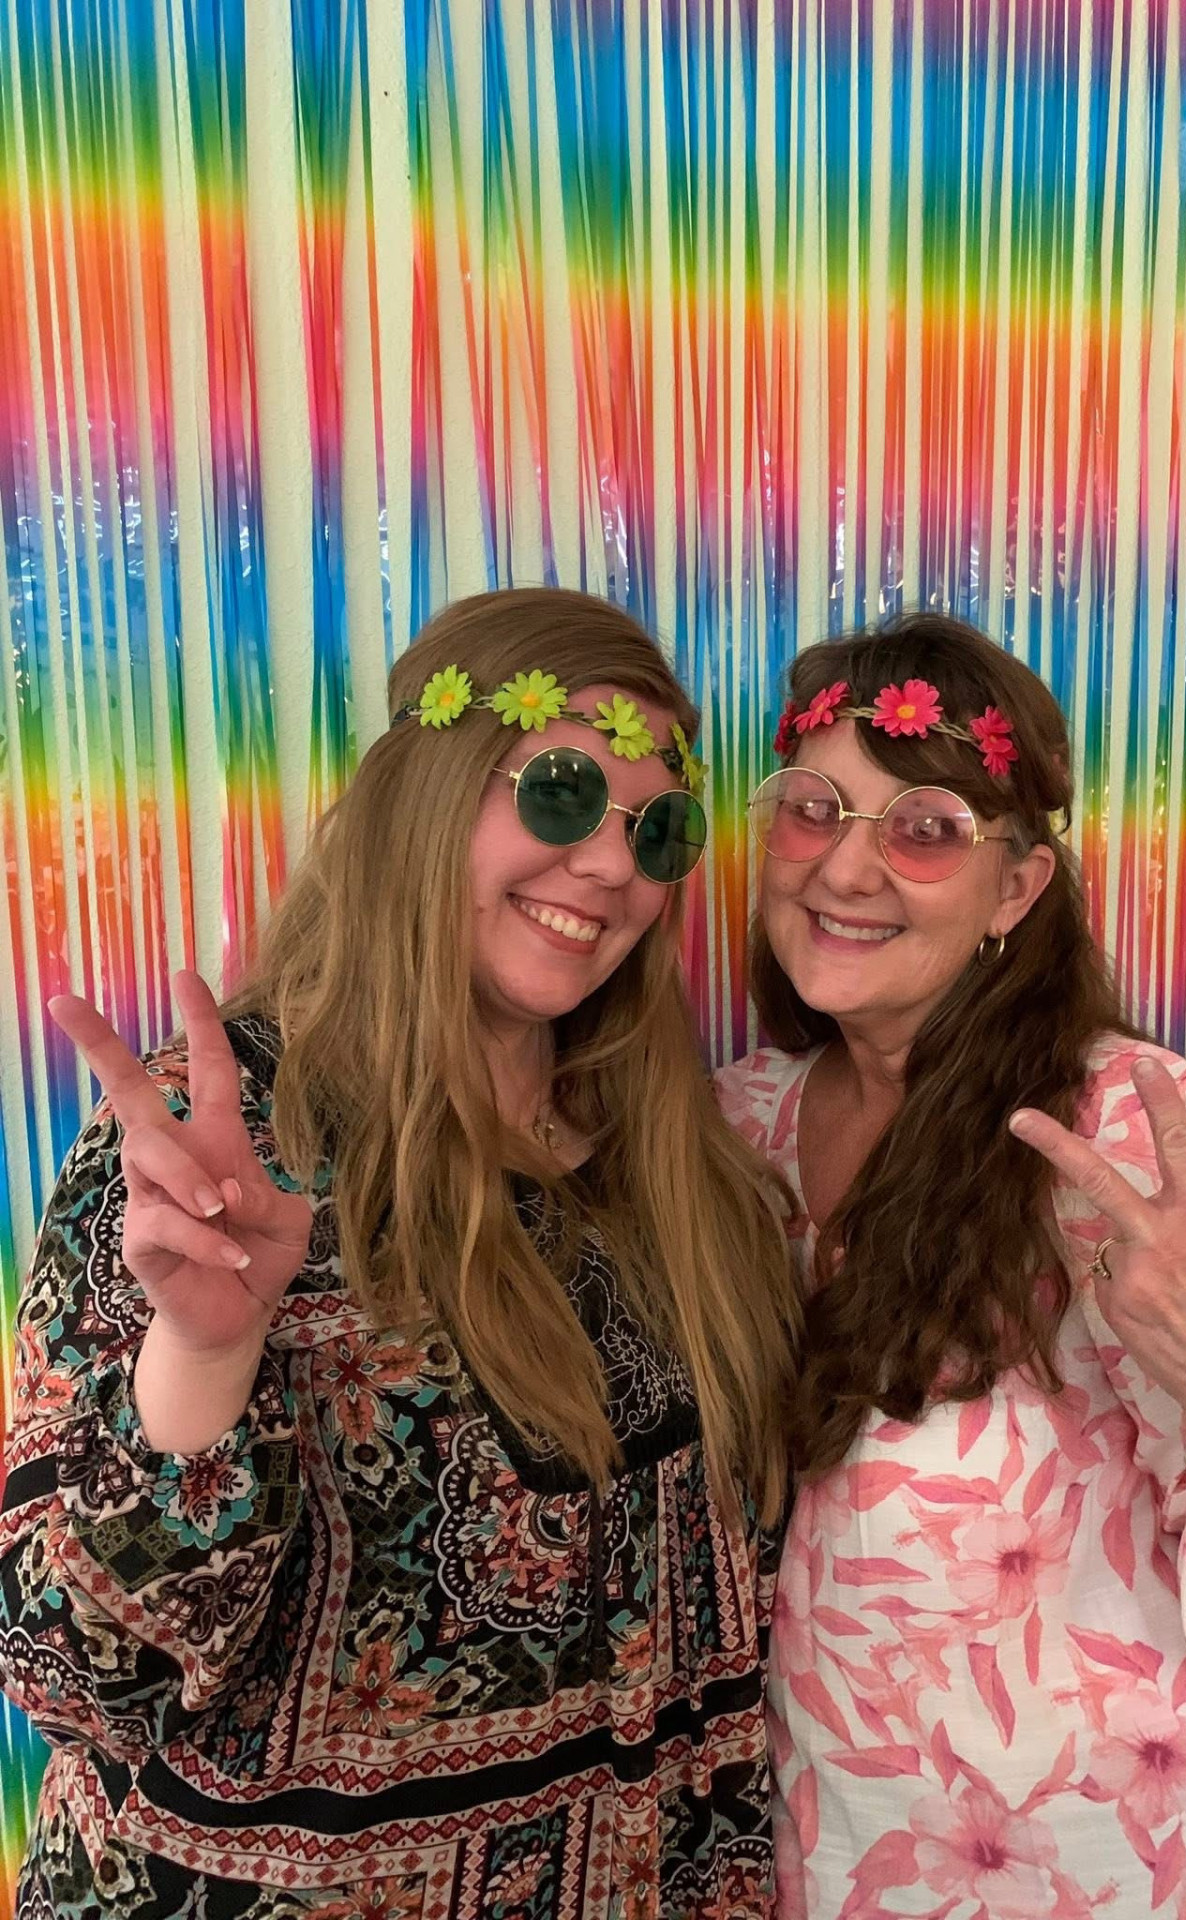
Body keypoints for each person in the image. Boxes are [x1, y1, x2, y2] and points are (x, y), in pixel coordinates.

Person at [0, 588, 799, 1920]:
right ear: (424, 796)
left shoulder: (680, 1169)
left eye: (657, 829)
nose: (614, 869)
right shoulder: (222, 1146)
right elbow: (73, 1675)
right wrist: (204, 1355)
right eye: (560, 794)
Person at [715, 612, 1186, 1920]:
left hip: (1155, 1875)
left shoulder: (1134, 1139)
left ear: (1016, 890)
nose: (847, 868)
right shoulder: (734, 1129)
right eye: (814, 812)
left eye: (925, 829)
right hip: (855, 1868)